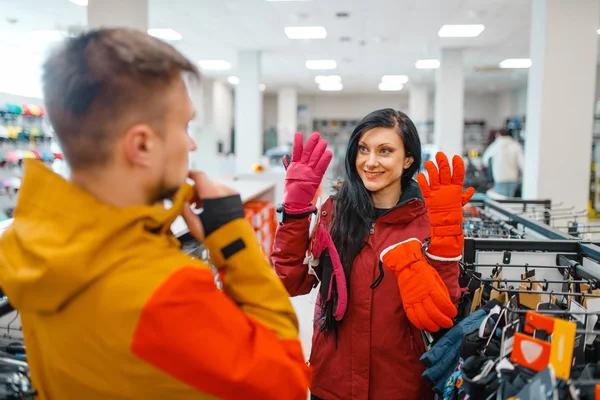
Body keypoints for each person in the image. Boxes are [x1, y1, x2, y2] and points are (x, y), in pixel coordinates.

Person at [0, 28, 310, 400]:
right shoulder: (163, 292)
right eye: (184, 126)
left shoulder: (25, 243)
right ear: (142, 144)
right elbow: (287, 382)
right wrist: (233, 240)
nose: (192, 143)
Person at [272, 109, 474, 400]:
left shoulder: (428, 220)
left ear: (408, 160)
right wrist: (294, 213)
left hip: (401, 384)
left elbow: (442, 311)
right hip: (333, 381)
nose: (370, 162)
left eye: (385, 151)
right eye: (363, 149)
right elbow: (288, 281)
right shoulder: (334, 212)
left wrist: (446, 244)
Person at [482, 129, 524, 197]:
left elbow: (485, 160)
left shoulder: (495, 145)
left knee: (500, 202)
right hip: (513, 178)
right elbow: (522, 163)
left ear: (498, 135)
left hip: (500, 177)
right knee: (509, 202)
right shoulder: (516, 146)